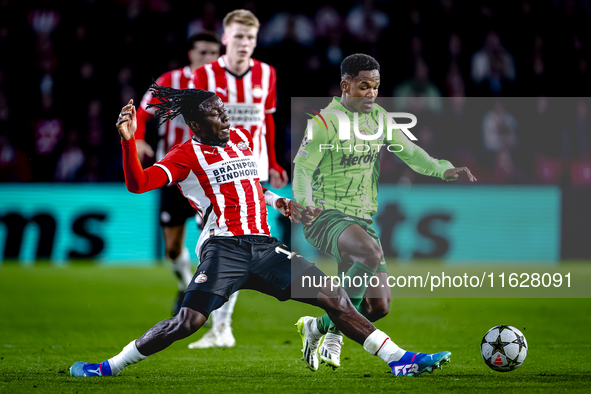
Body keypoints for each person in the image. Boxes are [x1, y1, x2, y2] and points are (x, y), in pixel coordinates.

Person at [69, 84, 451, 378]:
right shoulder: (184, 156)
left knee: (334, 296)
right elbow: (138, 184)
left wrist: (277, 201)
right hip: (224, 249)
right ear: (197, 125)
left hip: (267, 247)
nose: (226, 118)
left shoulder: (240, 140)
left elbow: (251, 184)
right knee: (188, 322)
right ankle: (109, 366)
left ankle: (399, 359)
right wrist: (128, 143)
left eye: (223, 110)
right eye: (217, 115)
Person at [293, 54, 476, 371]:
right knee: (371, 254)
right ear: (345, 85)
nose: (371, 94)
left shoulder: (379, 118)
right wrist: (304, 203)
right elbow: (302, 169)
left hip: (361, 218)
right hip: (325, 216)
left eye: (375, 87)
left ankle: (318, 327)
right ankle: (340, 337)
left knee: (378, 307)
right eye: (364, 87)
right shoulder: (323, 123)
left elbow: (413, 153)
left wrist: (443, 170)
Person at [188, 9, 288, 350]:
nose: (245, 44)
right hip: (217, 170)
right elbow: (194, 123)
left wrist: (273, 161)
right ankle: (220, 325)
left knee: (228, 241)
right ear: (225, 39)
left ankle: (220, 328)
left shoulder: (267, 73)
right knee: (220, 241)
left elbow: (268, 120)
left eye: (251, 38)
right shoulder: (204, 74)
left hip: (253, 169)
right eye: (239, 37)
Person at [135, 32, 220, 316]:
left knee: (210, 241)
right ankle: (187, 287)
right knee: (171, 249)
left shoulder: (224, 85)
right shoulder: (170, 80)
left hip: (208, 174)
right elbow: (142, 114)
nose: (207, 58)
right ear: (190, 54)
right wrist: (137, 138)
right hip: (171, 172)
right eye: (202, 52)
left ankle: (204, 302)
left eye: (213, 53)